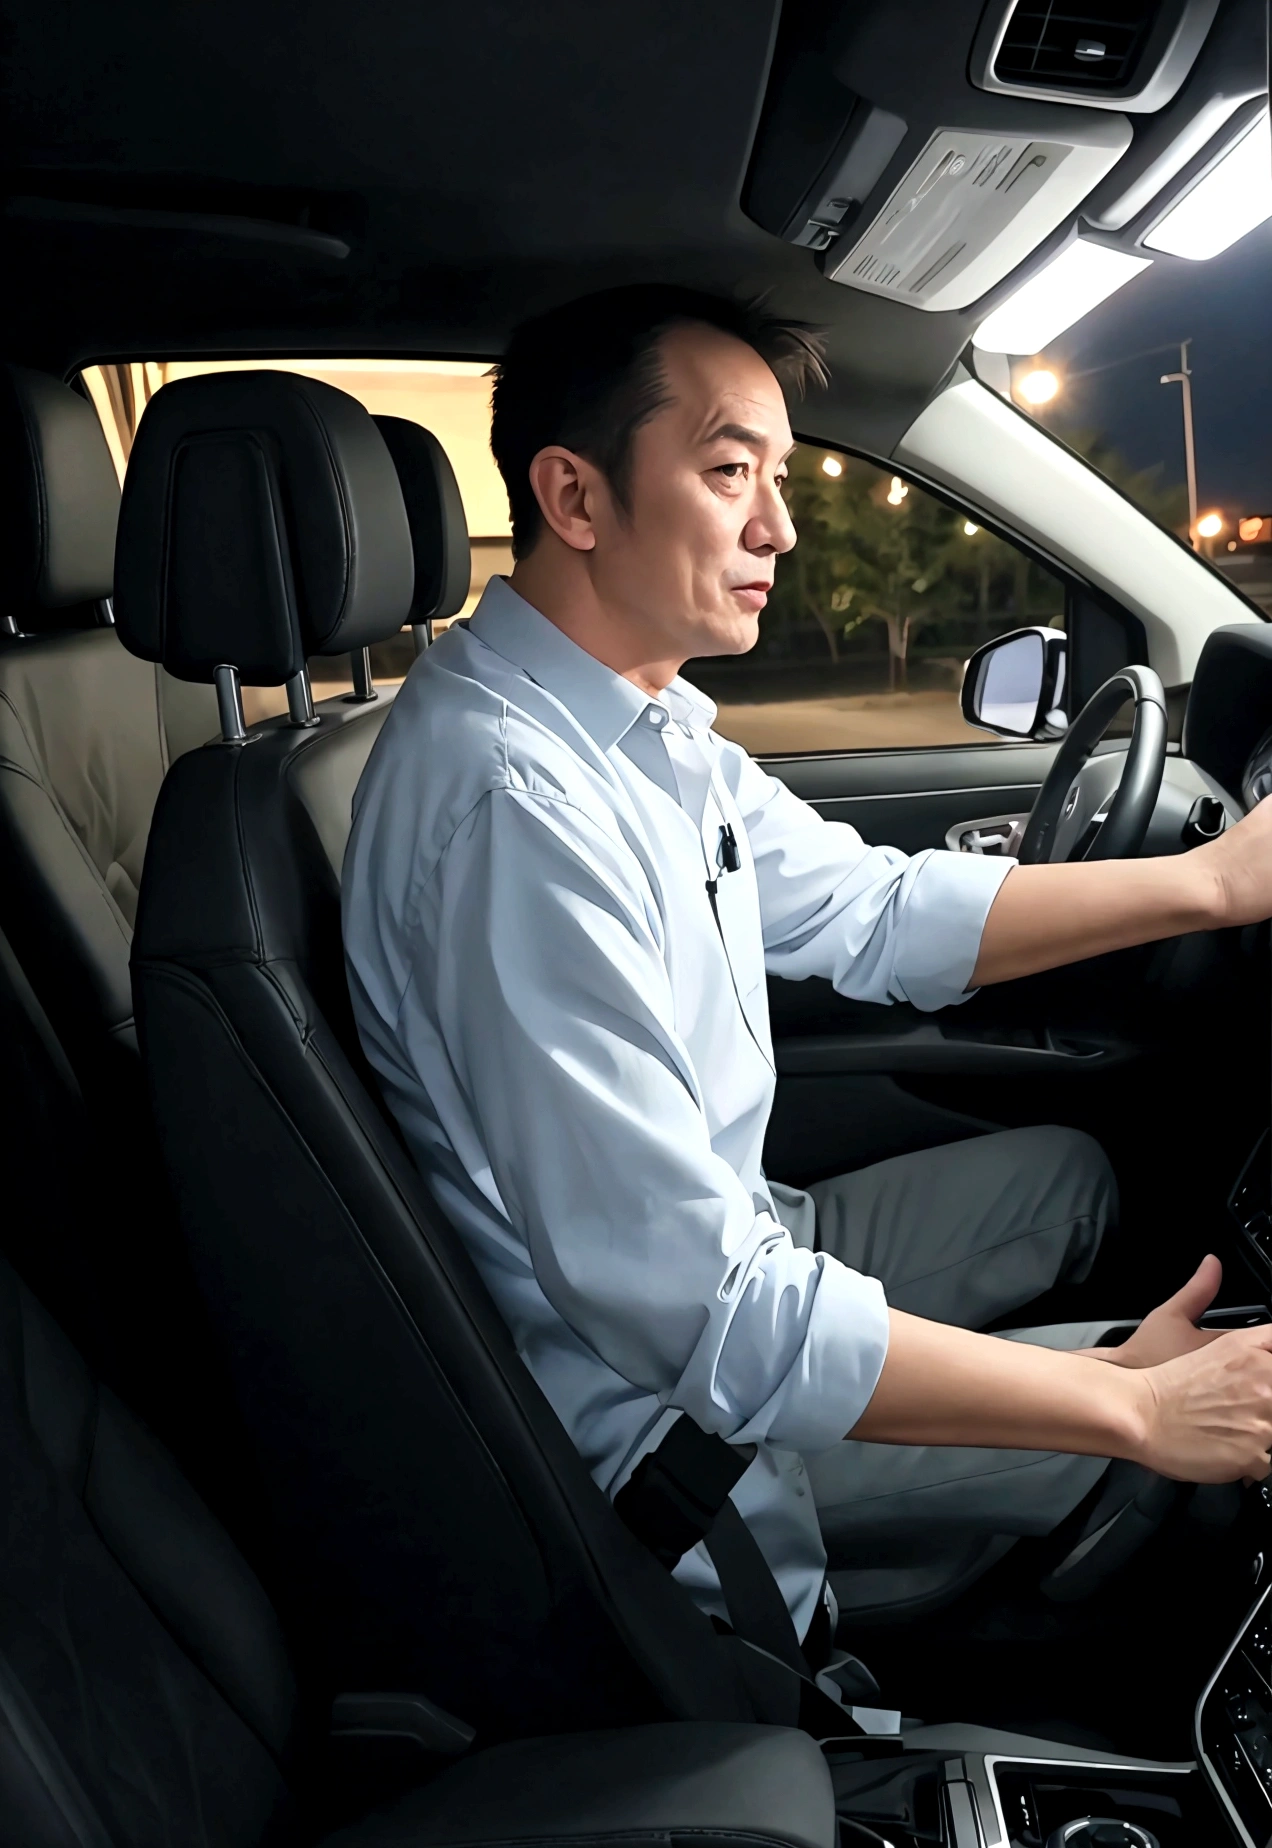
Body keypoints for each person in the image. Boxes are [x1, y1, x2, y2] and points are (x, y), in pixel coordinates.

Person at [342, 285, 1272, 1648]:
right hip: (679, 1429)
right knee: (1213, 1444)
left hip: (742, 1245)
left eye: (779, 475)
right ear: (576, 497)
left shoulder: (631, 726)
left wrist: (1211, 882)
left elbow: (878, 912)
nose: (780, 525)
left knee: (1075, 1182)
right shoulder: (512, 809)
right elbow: (709, 1318)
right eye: (731, 474)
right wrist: (1133, 1404)